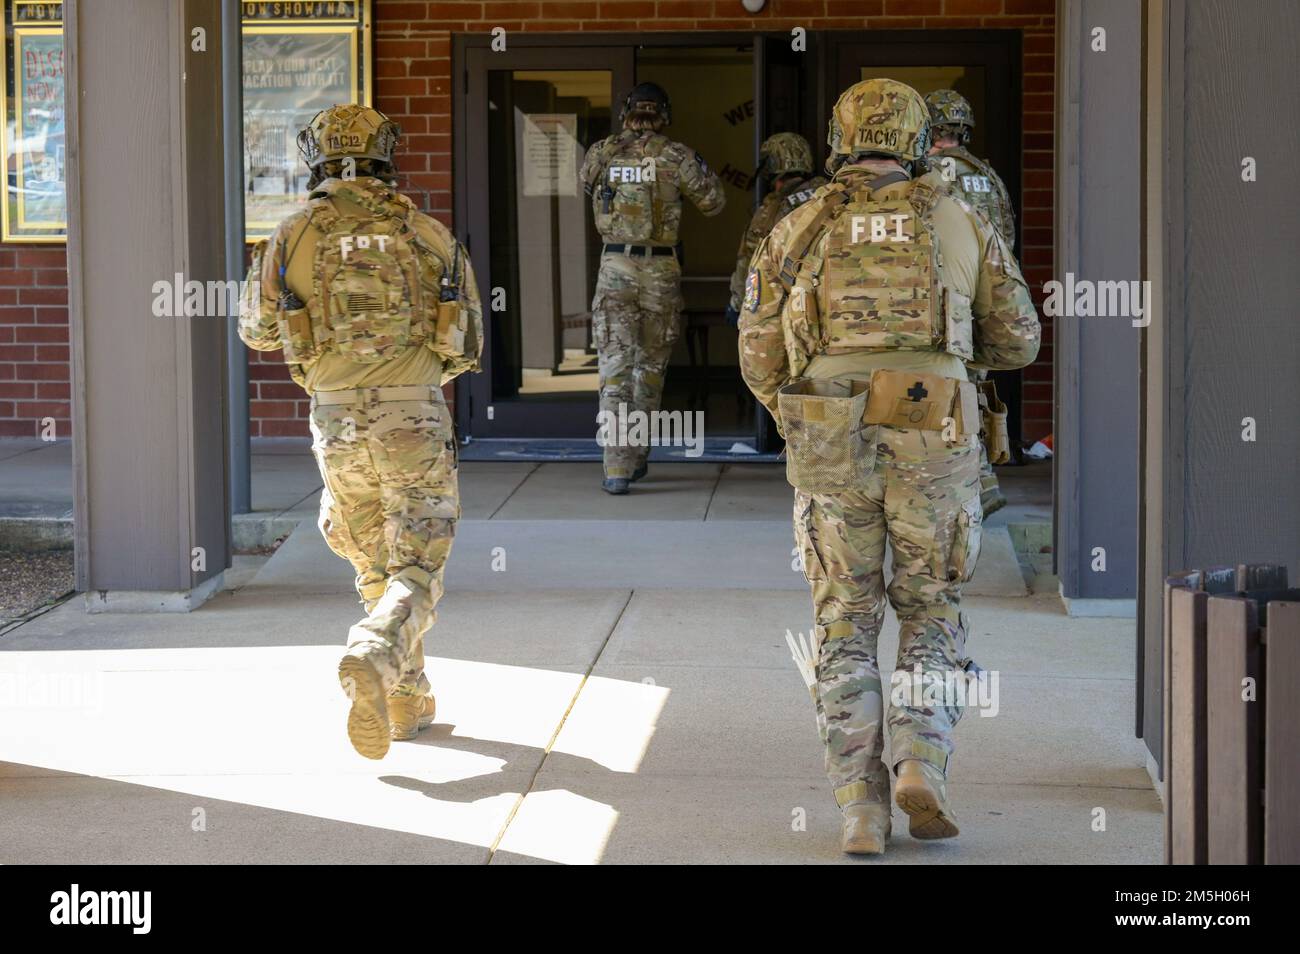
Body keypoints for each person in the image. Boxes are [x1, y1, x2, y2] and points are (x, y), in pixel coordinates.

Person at [739, 79, 1039, 855]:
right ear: (914, 138)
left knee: (843, 620)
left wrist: (805, 411)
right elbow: (1019, 341)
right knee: (931, 607)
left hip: (830, 441)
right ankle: (920, 759)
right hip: (933, 433)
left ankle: (858, 807)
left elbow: (759, 354)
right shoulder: (958, 215)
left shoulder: (797, 225)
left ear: (839, 139)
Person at [238, 104, 483, 760]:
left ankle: (405, 697)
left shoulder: (292, 236)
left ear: (316, 156)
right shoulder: (428, 234)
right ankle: (376, 652)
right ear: (386, 155)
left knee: (373, 556)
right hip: (413, 415)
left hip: (336, 419)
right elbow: (468, 347)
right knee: (417, 562)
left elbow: (256, 332)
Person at [579, 82, 725, 494]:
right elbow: (714, 203)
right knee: (649, 369)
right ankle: (637, 454)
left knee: (614, 368)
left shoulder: (601, 153)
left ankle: (616, 468)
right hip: (660, 269)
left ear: (625, 112)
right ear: (665, 114)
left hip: (614, 266)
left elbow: (587, 185)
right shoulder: (675, 155)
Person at [925, 88, 1019, 515]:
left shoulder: (926, 174)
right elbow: (1007, 243)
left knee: (943, 395)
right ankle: (986, 474)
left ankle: (971, 481)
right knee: (976, 388)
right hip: (984, 299)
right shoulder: (989, 177)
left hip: (943, 303)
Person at [724, 132, 827, 328]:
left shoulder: (772, 210)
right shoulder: (830, 196)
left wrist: (736, 304)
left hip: (787, 306)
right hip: (827, 299)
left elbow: (749, 261)